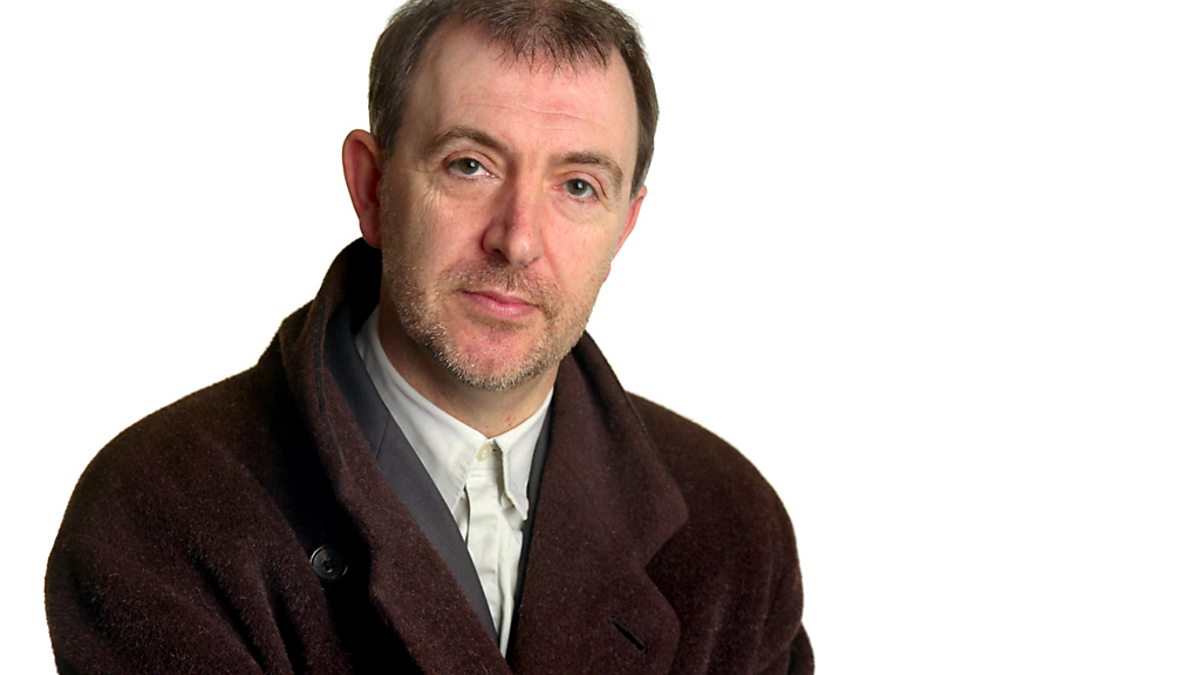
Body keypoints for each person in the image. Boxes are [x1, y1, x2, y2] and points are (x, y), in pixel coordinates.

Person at [45, 1, 814, 672]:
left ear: (625, 225)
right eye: (470, 165)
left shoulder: (731, 529)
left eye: (578, 186)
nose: (517, 240)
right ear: (372, 187)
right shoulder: (163, 511)